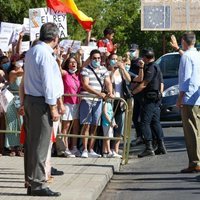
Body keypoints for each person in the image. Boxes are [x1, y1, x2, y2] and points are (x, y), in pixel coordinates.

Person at [23, 22, 63, 196]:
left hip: (32, 100)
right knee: (40, 145)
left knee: (32, 144)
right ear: (55, 38)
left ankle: (31, 181)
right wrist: (53, 107)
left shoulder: (32, 51)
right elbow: (48, 83)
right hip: (41, 103)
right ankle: (38, 184)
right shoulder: (45, 54)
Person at [132, 48, 167, 158]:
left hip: (150, 98)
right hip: (156, 97)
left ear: (146, 58)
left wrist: (132, 92)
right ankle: (161, 146)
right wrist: (160, 94)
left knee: (144, 123)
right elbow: (161, 82)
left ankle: (149, 148)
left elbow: (144, 83)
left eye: (143, 57)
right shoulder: (157, 66)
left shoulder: (151, 67)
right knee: (155, 122)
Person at [80, 49, 113, 158]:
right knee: (86, 125)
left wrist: (110, 92)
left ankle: (91, 149)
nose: (97, 60)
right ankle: (84, 149)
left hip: (98, 101)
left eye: (98, 58)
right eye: (94, 58)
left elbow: (108, 82)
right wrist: (98, 93)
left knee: (95, 125)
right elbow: (85, 85)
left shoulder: (104, 69)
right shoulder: (85, 69)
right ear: (90, 59)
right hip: (87, 99)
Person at [176, 32, 200, 173]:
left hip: (190, 98)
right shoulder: (197, 55)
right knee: (198, 131)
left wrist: (180, 98)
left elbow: (185, 79)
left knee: (191, 131)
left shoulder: (186, 56)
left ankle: (195, 162)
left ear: (183, 41)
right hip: (197, 96)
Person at [107, 53, 131, 158]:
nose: (115, 61)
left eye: (116, 59)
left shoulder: (121, 72)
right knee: (109, 125)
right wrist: (113, 70)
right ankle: (108, 149)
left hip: (120, 101)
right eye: (113, 59)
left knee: (119, 126)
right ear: (109, 60)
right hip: (110, 101)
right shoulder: (107, 71)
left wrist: (123, 69)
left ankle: (116, 149)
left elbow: (129, 80)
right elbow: (110, 81)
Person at [58, 56, 81, 157]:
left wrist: (79, 56)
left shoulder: (78, 75)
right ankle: (65, 148)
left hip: (76, 103)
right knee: (66, 126)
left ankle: (74, 147)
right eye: (71, 62)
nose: (73, 64)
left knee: (75, 126)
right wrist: (59, 62)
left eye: (75, 62)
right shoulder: (66, 74)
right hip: (67, 103)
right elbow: (58, 70)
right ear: (67, 65)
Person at [129, 43, 144, 145]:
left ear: (138, 51)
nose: (132, 52)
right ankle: (140, 136)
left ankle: (142, 137)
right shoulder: (131, 61)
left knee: (138, 117)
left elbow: (140, 78)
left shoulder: (139, 63)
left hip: (139, 92)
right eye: (131, 50)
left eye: (134, 51)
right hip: (133, 93)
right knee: (135, 117)